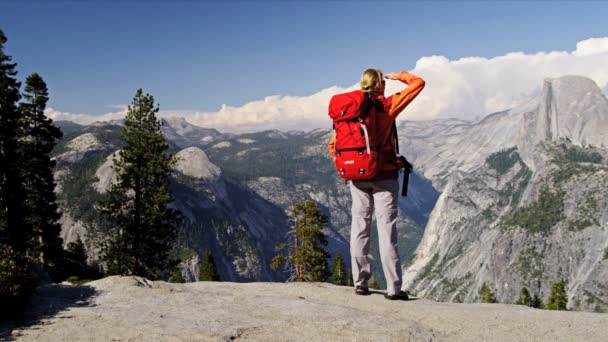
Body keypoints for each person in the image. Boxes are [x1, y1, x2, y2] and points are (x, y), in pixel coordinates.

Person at [328, 69, 425, 300]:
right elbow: (418, 83)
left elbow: (333, 145)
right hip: (384, 177)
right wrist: (399, 75)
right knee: (386, 230)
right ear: (380, 84)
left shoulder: (350, 112)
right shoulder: (387, 106)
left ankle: (360, 283)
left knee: (359, 228)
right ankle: (393, 289)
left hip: (357, 178)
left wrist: (351, 164)